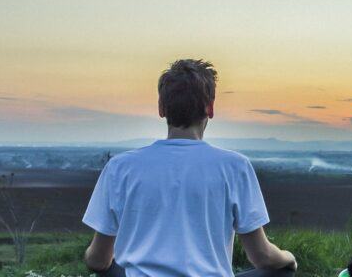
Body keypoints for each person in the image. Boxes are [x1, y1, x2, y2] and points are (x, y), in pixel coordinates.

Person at [82, 59, 297, 276]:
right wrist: (289, 257)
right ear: (210, 108)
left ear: (161, 109)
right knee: (282, 271)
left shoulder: (120, 167)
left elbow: (98, 260)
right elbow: (262, 257)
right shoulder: (235, 167)